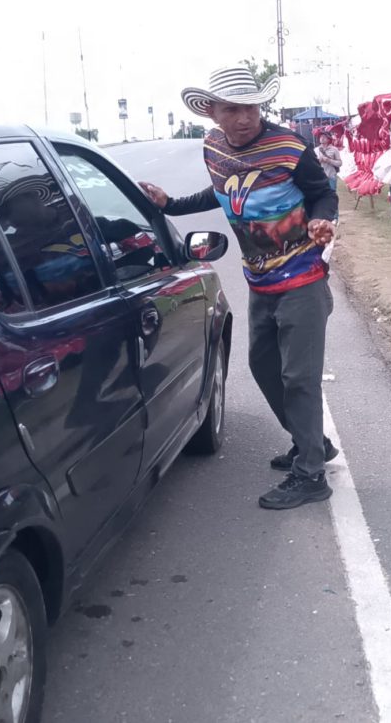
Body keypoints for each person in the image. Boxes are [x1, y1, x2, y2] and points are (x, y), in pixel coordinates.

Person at [141, 65, 340, 510]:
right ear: (212, 112)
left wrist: (325, 217)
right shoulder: (213, 147)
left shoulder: (289, 145)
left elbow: (322, 191)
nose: (245, 118)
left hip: (303, 277)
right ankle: (311, 443)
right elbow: (221, 192)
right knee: (263, 365)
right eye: (233, 109)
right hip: (260, 279)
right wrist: (170, 205)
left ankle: (311, 474)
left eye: (250, 107)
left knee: (299, 377)